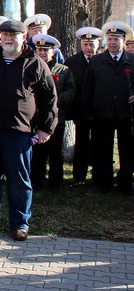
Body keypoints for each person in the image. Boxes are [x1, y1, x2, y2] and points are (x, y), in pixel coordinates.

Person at [0, 20, 58, 241]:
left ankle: (20, 224)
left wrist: (45, 129)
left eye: (13, 35)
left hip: (18, 132)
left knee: (19, 181)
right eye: (4, 35)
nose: (8, 39)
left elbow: (49, 99)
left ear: (23, 37)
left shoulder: (35, 63)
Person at [81, 21, 134, 195]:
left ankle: (125, 183)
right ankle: (104, 183)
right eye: (110, 39)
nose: (112, 42)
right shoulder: (96, 61)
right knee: (103, 149)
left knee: (127, 150)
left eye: (116, 39)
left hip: (126, 113)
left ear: (123, 41)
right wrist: (88, 111)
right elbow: (88, 88)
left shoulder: (132, 60)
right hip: (102, 112)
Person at [30, 34, 75, 192]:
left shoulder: (64, 70)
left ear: (53, 52)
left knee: (55, 151)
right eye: (39, 50)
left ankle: (55, 182)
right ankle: (36, 180)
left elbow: (71, 91)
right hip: (35, 118)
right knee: (37, 151)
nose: (42, 53)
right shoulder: (30, 67)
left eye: (46, 50)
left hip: (56, 118)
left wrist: (55, 100)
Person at [65, 27, 102, 183]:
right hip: (80, 109)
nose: (88, 47)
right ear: (80, 44)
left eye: (91, 44)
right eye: (85, 44)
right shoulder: (71, 62)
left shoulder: (103, 60)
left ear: (98, 43)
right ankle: (79, 176)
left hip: (100, 109)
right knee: (81, 142)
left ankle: (98, 176)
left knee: (100, 143)